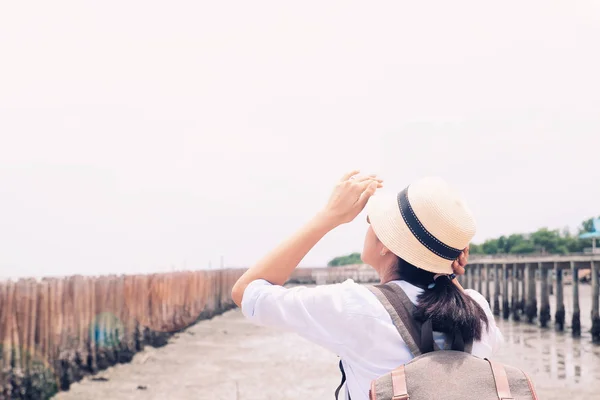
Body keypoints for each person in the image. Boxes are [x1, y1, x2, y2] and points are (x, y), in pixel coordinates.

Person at [231, 171, 503, 400]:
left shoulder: (355, 307)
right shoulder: (478, 309)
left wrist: (328, 217)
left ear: (386, 244)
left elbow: (246, 293)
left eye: (372, 222)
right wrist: (448, 274)